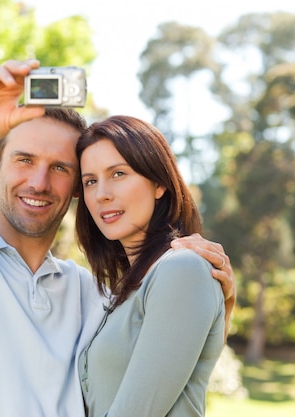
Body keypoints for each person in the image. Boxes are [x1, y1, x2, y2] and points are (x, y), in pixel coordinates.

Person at [0, 59, 235, 417]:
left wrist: (217, 308)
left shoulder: (93, 293)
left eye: (60, 168)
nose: (39, 182)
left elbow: (159, 363)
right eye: (24, 159)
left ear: (77, 187)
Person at [76, 115, 225, 417]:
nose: (101, 193)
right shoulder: (127, 288)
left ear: (159, 183)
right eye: (90, 181)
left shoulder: (182, 269)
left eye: (118, 173)